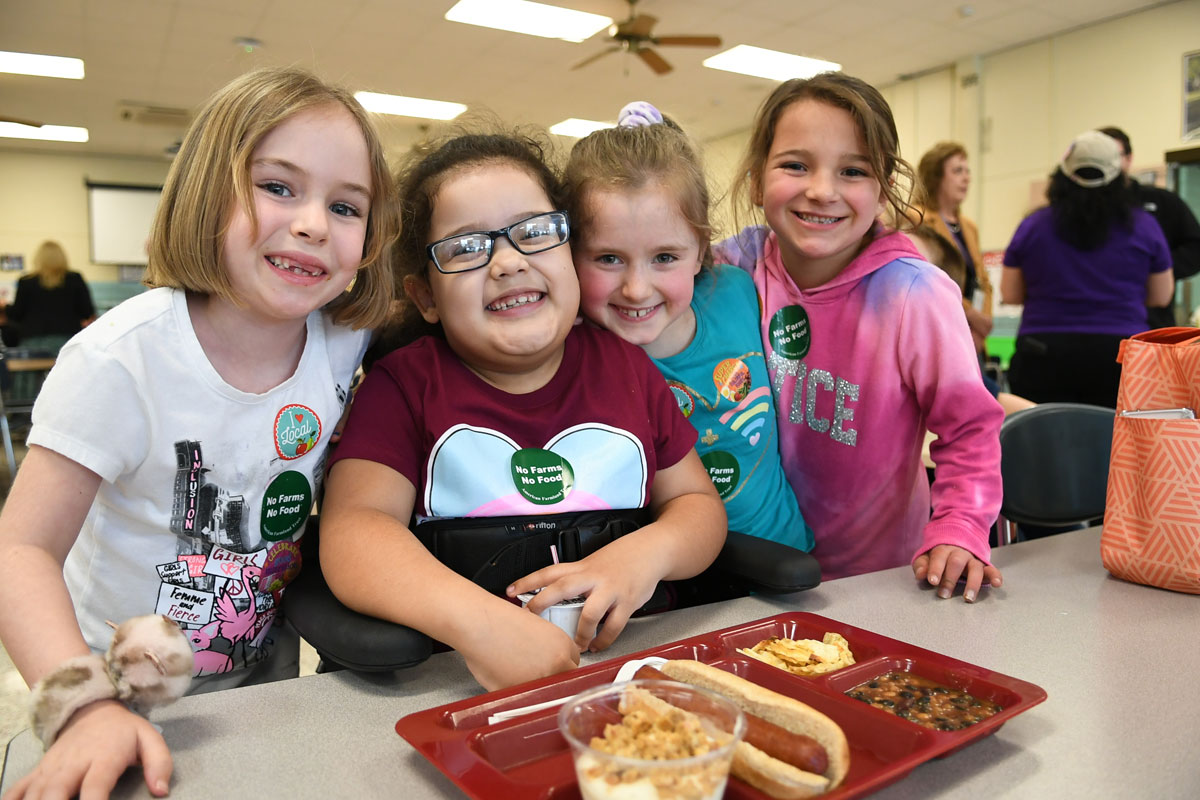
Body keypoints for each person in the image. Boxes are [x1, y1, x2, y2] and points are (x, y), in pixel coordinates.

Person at [0, 66, 398, 799]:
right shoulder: (119, 360)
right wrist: (84, 711)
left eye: (346, 206)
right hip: (110, 695)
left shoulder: (346, 337)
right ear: (207, 190)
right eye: (278, 187)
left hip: (267, 683)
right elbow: (19, 548)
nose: (313, 222)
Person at [319, 130, 726, 692]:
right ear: (425, 297)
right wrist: (481, 626)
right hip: (460, 684)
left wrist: (643, 557)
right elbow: (354, 531)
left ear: (571, 254)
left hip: (637, 672)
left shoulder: (627, 369)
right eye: (465, 247)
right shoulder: (404, 385)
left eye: (535, 232)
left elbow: (696, 505)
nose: (507, 262)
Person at [712, 72, 1004, 602]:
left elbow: (969, 428)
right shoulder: (738, 266)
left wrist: (960, 527)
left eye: (853, 171)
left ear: (883, 189)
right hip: (748, 571)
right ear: (756, 181)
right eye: (795, 165)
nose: (822, 190)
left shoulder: (913, 294)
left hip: (880, 582)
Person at [564, 101, 812, 552]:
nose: (637, 289)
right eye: (608, 258)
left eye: (665, 258)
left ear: (701, 249)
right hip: (675, 588)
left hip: (789, 563)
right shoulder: (577, 356)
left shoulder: (736, 291)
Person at [1001, 130, 1173, 408]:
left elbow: (1009, 293)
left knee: (1044, 446)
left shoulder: (1033, 227)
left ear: (1062, 175)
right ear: (1120, 178)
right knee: (1114, 447)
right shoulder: (1144, 227)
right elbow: (1161, 296)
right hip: (1120, 357)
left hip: (1045, 353)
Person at [1098, 126, 1200, 329]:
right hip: (1093, 322)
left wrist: (1157, 269)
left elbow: (1195, 247)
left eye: (1114, 156)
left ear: (1129, 158)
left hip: (1151, 322)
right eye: (1100, 156)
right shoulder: (1074, 210)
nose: (1108, 164)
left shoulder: (1161, 202)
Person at [915, 142, 993, 355]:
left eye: (968, 171)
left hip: (972, 334)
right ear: (936, 176)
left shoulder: (969, 227)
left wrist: (981, 326)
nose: (967, 177)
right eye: (958, 171)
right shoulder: (916, 217)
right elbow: (927, 280)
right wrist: (971, 314)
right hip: (938, 330)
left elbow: (984, 283)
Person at [3, 240, 96, 354]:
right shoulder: (75, 278)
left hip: (32, 340)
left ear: (38, 259)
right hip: (67, 340)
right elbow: (87, 311)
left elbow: (17, 314)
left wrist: (5, 306)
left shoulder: (26, 281)